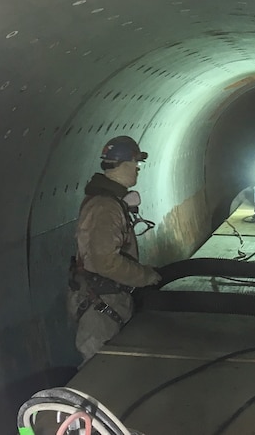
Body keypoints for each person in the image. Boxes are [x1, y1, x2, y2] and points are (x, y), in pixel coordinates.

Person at [68, 135, 162, 362]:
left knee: (112, 365)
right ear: (122, 164)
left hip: (107, 299)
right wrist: (145, 276)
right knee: (98, 370)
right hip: (100, 306)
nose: (138, 169)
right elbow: (105, 261)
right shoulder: (106, 207)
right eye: (136, 164)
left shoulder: (110, 201)